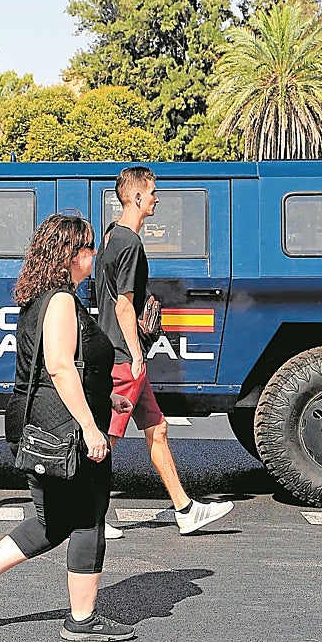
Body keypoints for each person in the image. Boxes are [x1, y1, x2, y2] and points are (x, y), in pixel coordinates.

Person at [0, 213, 135, 641]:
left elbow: (67, 367)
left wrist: (105, 396)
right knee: (89, 517)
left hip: (50, 423)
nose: (94, 255)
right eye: (88, 248)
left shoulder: (43, 299)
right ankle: (83, 618)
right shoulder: (60, 301)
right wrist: (92, 427)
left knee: (53, 520)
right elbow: (57, 367)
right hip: (67, 432)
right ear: (69, 255)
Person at [96, 166, 234, 536]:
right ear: (137, 197)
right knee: (106, 436)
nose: (158, 197)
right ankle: (90, 517)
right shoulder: (128, 243)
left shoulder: (111, 236)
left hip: (120, 351)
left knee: (157, 427)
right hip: (124, 356)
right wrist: (137, 355)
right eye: (153, 191)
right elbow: (124, 306)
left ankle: (185, 509)